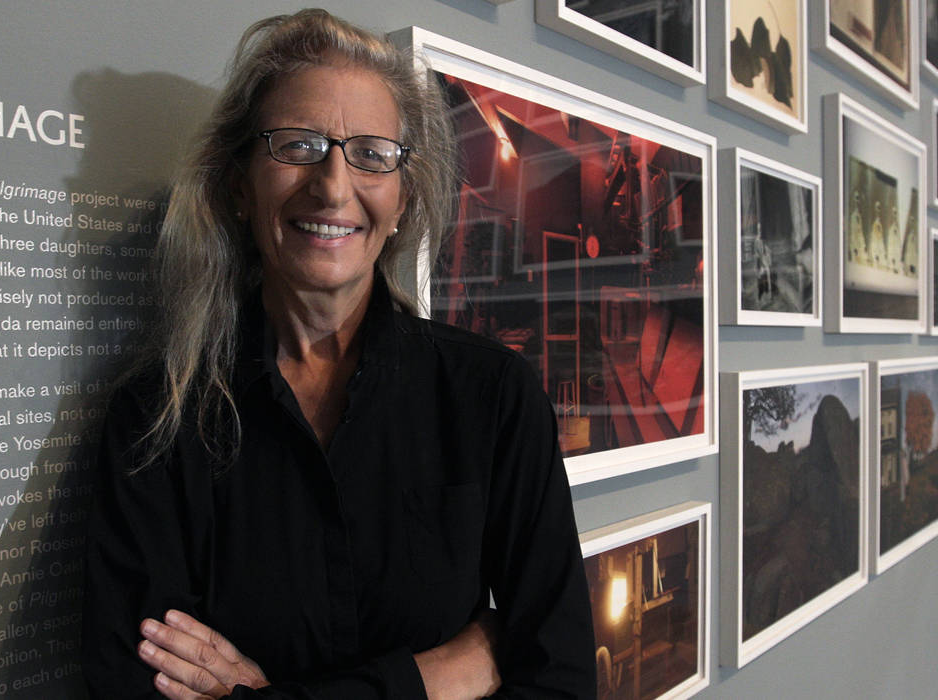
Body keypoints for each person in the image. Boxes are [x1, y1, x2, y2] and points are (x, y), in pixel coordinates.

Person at [83, 9, 595, 699]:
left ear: (402, 197)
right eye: (297, 145)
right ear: (240, 185)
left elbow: (560, 683)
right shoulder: (154, 420)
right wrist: (427, 679)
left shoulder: (493, 397)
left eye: (372, 154)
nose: (331, 184)